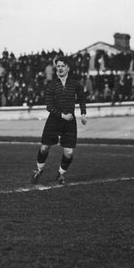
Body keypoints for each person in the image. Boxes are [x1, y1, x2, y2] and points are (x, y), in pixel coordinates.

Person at [30, 56, 88, 185]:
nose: (60, 68)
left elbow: (82, 99)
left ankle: (61, 174)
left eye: (62, 66)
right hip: (54, 120)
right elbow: (49, 106)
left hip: (69, 122)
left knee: (69, 152)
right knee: (44, 148)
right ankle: (39, 170)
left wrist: (83, 114)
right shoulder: (52, 85)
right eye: (58, 66)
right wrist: (62, 115)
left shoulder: (75, 85)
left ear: (68, 68)